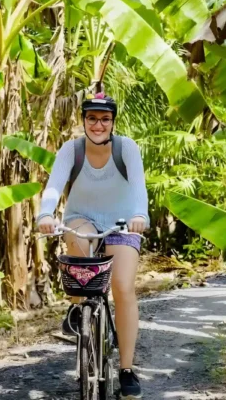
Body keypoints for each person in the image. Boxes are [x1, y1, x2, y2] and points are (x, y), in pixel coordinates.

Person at [36, 92, 148, 399]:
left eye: (105, 119)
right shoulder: (72, 150)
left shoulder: (127, 149)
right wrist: (45, 213)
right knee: (79, 251)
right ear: (84, 120)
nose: (98, 125)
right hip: (82, 217)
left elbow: (138, 187)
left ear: (112, 122)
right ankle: (78, 307)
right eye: (92, 118)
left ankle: (126, 369)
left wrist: (140, 215)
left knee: (123, 287)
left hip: (123, 221)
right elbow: (54, 186)